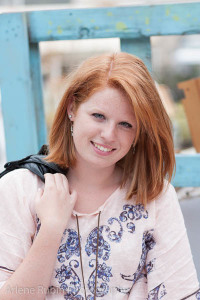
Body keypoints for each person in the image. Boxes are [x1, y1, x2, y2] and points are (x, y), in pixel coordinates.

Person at [0, 52, 199, 300]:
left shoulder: (155, 195)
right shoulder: (19, 188)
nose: (108, 134)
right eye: (98, 116)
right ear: (72, 108)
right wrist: (50, 229)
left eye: (126, 124)